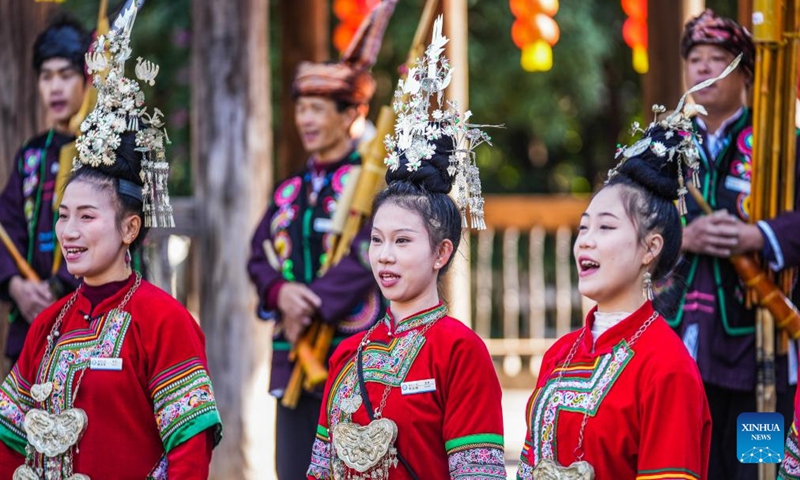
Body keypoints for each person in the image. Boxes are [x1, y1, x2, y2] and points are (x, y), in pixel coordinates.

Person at [0, 8, 222, 478]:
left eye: (86, 217)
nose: (70, 231)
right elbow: (8, 440)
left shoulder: (164, 321)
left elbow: (190, 447)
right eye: (63, 217)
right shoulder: (45, 326)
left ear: (129, 229)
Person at [307, 19, 505, 479]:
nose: (385, 256)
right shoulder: (347, 354)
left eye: (402, 241)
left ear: (441, 253)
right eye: (377, 240)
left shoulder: (459, 351)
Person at [517, 103, 713, 479]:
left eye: (605, 228)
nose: (585, 243)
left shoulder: (667, 368)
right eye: (583, 228)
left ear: (650, 248)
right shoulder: (559, 354)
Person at [246, 1, 396, 477]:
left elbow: (366, 252)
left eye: (317, 109)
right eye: (301, 109)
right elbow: (258, 254)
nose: (306, 120)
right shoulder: (292, 189)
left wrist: (310, 302)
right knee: (292, 468)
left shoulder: (374, 185)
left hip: (353, 350)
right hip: (295, 355)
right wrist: (281, 293)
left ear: (352, 112)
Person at [670, 10, 800, 479]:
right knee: (691, 464)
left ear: (746, 72)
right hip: (680, 338)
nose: (704, 69)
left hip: (757, 342)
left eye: (718, 59)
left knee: (754, 467)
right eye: (696, 60)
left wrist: (758, 236)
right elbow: (627, 222)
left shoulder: (780, 143)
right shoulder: (664, 143)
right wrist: (683, 237)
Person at [0, 14, 90, 363]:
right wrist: (15, 286)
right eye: (46, 76)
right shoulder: (31, 155)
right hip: (32, 318)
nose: (55, 87)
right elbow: (7, 224)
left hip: (89, 315)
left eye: (66, 75)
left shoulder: (107, 148)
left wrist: (58, 286)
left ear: (86, 78)